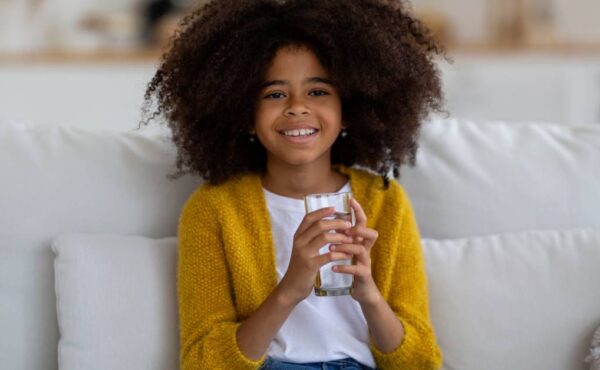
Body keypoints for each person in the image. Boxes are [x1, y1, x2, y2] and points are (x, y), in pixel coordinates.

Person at [140, 0, 446, 369]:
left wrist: (369, 295)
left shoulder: (385, 202)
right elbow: (203, 362)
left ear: (348, 111)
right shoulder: (214, 209)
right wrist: (290, 289)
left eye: (318, 92)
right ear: (245, 115)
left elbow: (420, 362)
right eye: (274, 94)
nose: (297, 107)